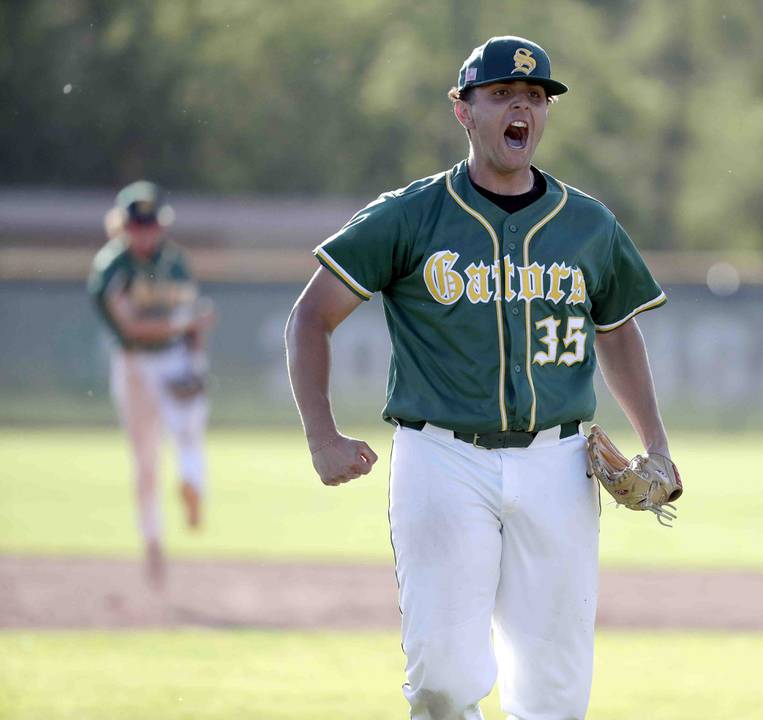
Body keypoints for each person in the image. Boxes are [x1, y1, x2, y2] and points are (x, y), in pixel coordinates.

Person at [286, 35, 673, 719]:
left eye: (534, 97)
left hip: (559, 463)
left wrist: (658, 444)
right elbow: (311, 316)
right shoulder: (411, 214)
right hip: (442, 458)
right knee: (440, 679)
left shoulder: (586, 223)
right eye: (500, 95)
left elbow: (617, 329)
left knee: (553, 690)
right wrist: (321, 436)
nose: (520, 107)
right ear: (462, 110)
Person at [88, 181, 215, 588]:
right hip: (135, 364)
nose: (145, 233)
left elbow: (194, 317)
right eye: (137, 225)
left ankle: (192, 488)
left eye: (150, 224)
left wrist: (195, 357)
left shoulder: (175, 262)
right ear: (123, 226)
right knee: (145, 458)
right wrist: (186, 325)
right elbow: (132, 328)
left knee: (190, 431)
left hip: (176, 356)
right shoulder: (111, 269)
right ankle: (153, 541)